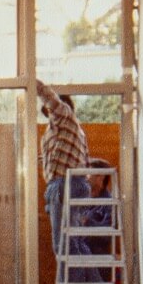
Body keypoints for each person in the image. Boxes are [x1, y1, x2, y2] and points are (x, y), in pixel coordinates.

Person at [37, 80, 90, 255]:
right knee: (75, 243)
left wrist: (33, 82)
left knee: (63, 246)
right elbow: (82, 160)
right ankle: (92, 282)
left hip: (64, 184)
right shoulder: (72, 129)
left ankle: (66, 283)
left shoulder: (65, 115)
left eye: (49, 111)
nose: (50, 114)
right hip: (74, 184)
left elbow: (51, 99)